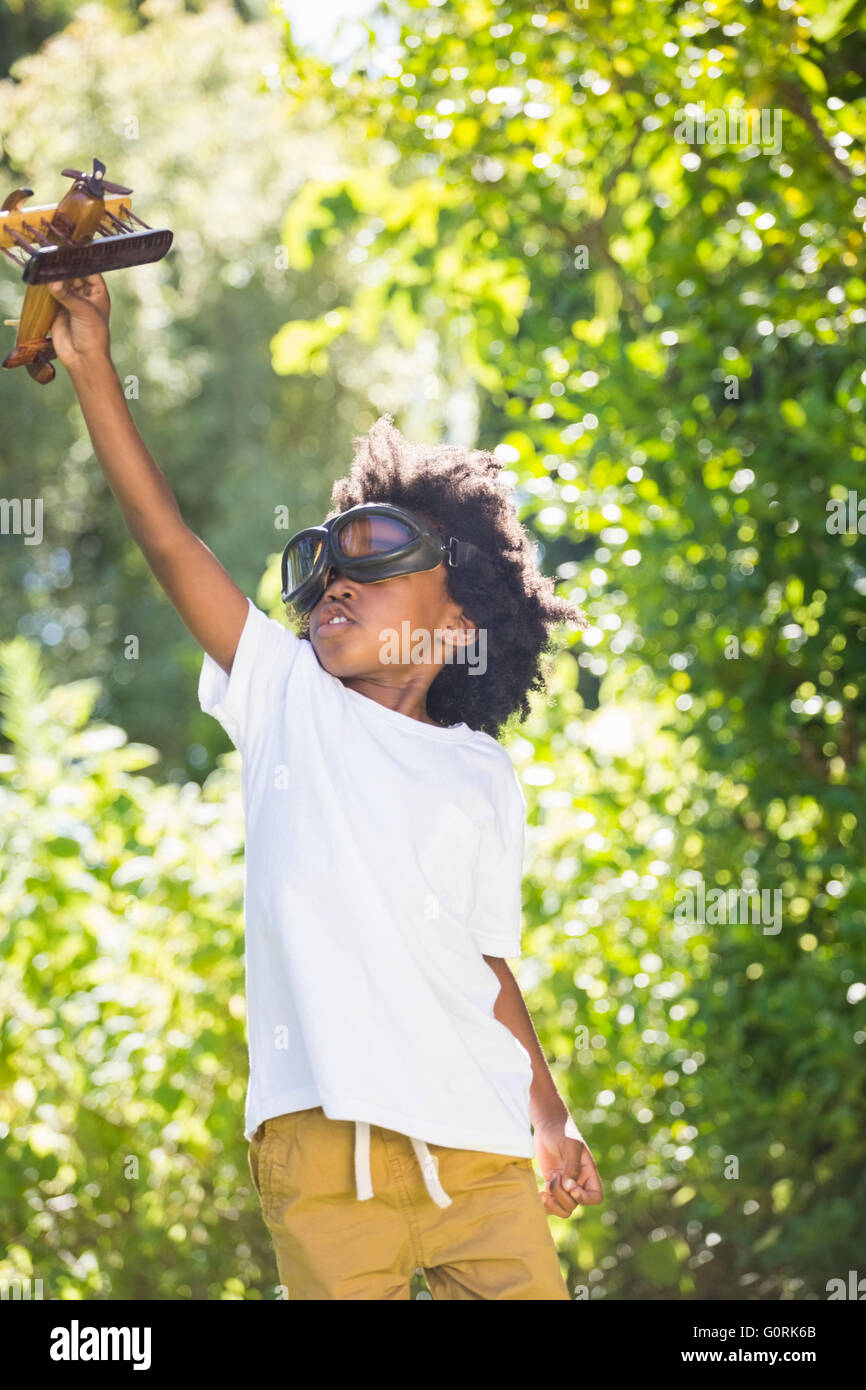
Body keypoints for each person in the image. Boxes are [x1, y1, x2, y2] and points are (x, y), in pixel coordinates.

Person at [46, 272, 604, 1301]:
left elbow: (485, 960)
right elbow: (169, 540)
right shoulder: (286, 698)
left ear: (459, 617)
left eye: (378, 561)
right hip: (322, 1153)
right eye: (320, 572)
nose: (333, 584)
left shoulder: (481, 774)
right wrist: (93, 371)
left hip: (478, 1152)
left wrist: (549, 1115)